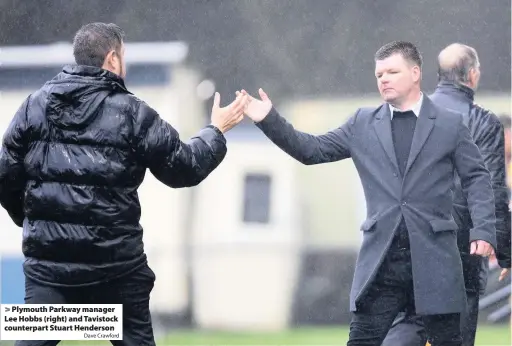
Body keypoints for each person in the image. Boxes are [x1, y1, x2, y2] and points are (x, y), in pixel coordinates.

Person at [0, 22, 247, 346]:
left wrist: (35, 221)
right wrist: (216, 130)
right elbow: (183, 168)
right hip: (115, 269)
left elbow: (6, 176)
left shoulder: (34, 106)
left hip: (50, 270)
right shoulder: (132, 113)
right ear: (113, 59)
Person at [238, 41, 497, 346]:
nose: (383, 79)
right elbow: (312, 150)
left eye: (392, 71)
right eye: (378, 74)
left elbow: (477, 177)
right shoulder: (361, 123)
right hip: (382, 265)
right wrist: (268, 119)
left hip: (435, 261)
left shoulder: (448, 124)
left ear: (415, 73)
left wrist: (483, 230)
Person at [382, 43, 511, 346]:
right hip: (459, 248)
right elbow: (491, 189)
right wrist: (504, 248)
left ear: (437, 75)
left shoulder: (405, 114)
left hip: (408, 243)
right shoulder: (483, 122)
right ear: (473, 75)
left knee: (408, 325)